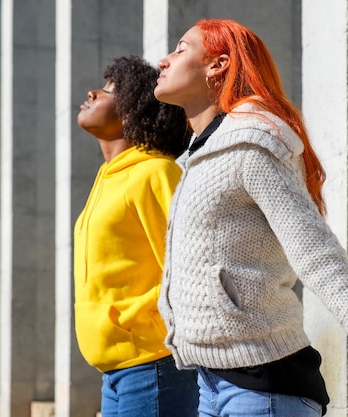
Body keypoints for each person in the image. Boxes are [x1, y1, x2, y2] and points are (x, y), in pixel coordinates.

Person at [153, 18, 348, 417]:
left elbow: (315, 252)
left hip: (263, 390)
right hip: (212, 384)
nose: (163, 61)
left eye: (180, 49)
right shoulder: (203, 155)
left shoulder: (251, 143)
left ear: (217, 64)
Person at [74, 55, 198, 417]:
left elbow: (187, 270)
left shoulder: (155, 173)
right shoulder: (109, 178)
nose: (93, 92)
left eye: (112, 90)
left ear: (134, 109)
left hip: (153, 365)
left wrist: (137, 322)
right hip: (116, 371)